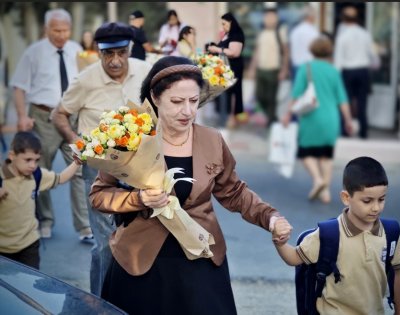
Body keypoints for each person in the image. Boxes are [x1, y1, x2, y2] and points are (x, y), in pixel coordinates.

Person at [88, 55, 291, 314]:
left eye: (194, 101)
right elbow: (99, 196)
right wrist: (138, 200)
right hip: (142, 262)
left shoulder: (212, 140)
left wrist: (270, 218)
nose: (187, 111)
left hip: (200, 257)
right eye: (177, 101)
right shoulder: (130, 136)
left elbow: (234, 191)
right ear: (155, 97)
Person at [52, 22, 152, 296]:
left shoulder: (145, 72)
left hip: (140, 169)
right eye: (109, 54)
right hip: (98, 172)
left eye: (121, 52)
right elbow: (58, 114)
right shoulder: (85, 79)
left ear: (130, 49)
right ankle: (99, 303)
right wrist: (78, 143)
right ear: (98, 51)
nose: (116, 60)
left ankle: (133, 301)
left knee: (139, 239)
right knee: (106, 243)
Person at [273, 156, 400, 315]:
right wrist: (279, 243)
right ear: (346, 198)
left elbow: (395, 272)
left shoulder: (390, 233)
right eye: (367, 201)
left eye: (381, 199)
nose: (376, 207)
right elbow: (294, 258)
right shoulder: (329, 234)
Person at [9, 8, 91, 241]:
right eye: (56, 30)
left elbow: (84, 85)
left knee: (78, 168)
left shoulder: (77, 51)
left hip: (70, 118)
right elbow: (18, 86)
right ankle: (45, 220)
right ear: (47, 29)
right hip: (43, 116)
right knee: (39, 169)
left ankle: (84, 226)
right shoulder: (34, 53)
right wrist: (22, 116)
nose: (61, 35)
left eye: (65, 30)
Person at [282, 36, 353, 204]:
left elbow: (296, 94)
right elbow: (342, 99)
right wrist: (348, 120)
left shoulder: (305, 69)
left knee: (305, 152)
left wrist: (287, 114)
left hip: (311, 117)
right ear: (330, 51)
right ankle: (326, 192)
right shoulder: (334, 71)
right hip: (331, 118)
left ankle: (318, 180)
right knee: (326, 156)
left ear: (312, 50)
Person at [0, 132, 82, 269]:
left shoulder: (37, 175)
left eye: (36, 160)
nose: (33, 165)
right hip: (2, 248)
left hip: (29, 244)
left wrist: (77, 162)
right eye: (28, 160)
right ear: (12, 156)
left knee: (29, 287)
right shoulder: (1, 178)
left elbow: (60, 178)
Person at [334, 5, 379, 139]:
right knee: (362, 102)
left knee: (345, 101)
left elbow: (338, 60)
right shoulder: (365, 34)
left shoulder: (342, 37)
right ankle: (363, 131)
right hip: (362, 71)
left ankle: (345, 130)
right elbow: (373, 54)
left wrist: (336, 77)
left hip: (348, 71)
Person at [249, 7, 290, 127]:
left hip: (274, 70)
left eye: (272, 17)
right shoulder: (261, 33)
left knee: (272, 98)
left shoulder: (280, 32)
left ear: (276, 19)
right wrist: (252, 68)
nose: (269, 19)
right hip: (261, 69)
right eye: (267, 17)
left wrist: (284, 70)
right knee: (259, 95)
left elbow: (286, 52)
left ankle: (271, 123)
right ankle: (272, 117)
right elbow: (257, 52)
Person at [208, 12, 246, 129]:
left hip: (233, 68)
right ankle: (222, 119)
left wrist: (217, 48)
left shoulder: (237, 35)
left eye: (224, 24)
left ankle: (230, 120)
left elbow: (234, 52)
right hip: (224, 69)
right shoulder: (227, 35)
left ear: (231, 22)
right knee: (223, 95)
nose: (223, 26)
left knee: (233, 94)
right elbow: (222, 48)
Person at [289, 5, 320, 81]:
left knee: (297, 91)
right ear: (310, 16)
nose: (316, 18)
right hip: (309, 68)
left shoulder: (294, 31)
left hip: (295, 66)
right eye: (315, 15)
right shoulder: (313, 32)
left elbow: (290, 49)